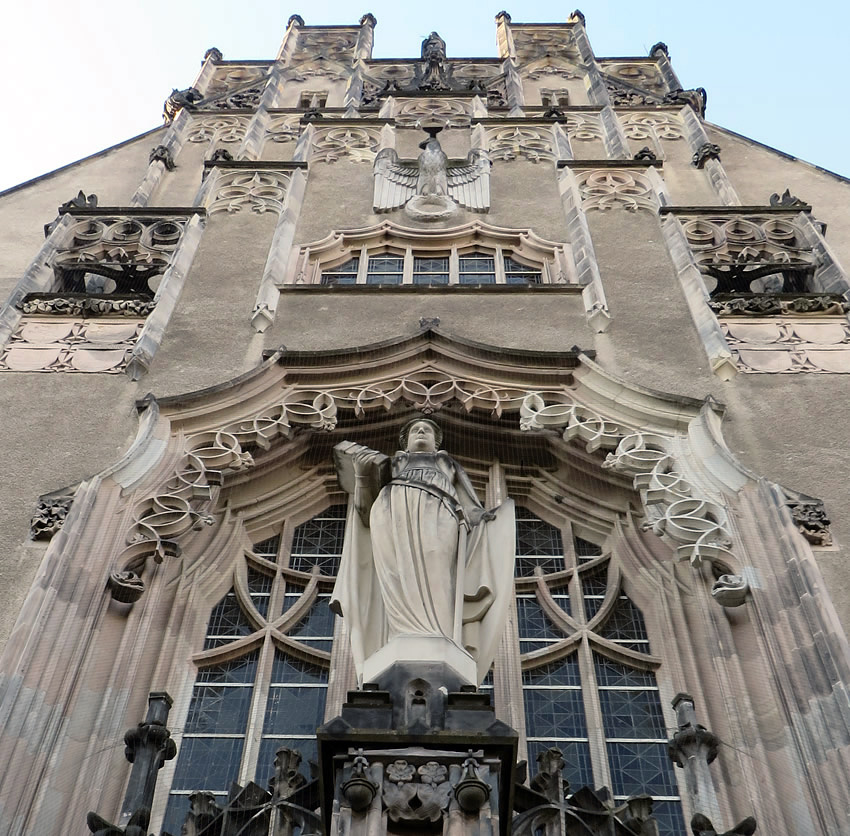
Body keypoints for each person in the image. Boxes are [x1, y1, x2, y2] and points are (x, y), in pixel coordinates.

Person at [330, 418, 515, 685]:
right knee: (395, 575)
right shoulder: (393, 465)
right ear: (404, 441)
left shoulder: (446, 464)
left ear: (436, 441)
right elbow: (364, 511)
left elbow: (470, 505)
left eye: (426, 430)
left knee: (437, 572)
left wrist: (487, 522)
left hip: (439, 512)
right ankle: (399, 638)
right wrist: (361, 473)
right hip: (390, 512)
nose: (420, 432)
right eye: (416, 429)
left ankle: (436, 636)